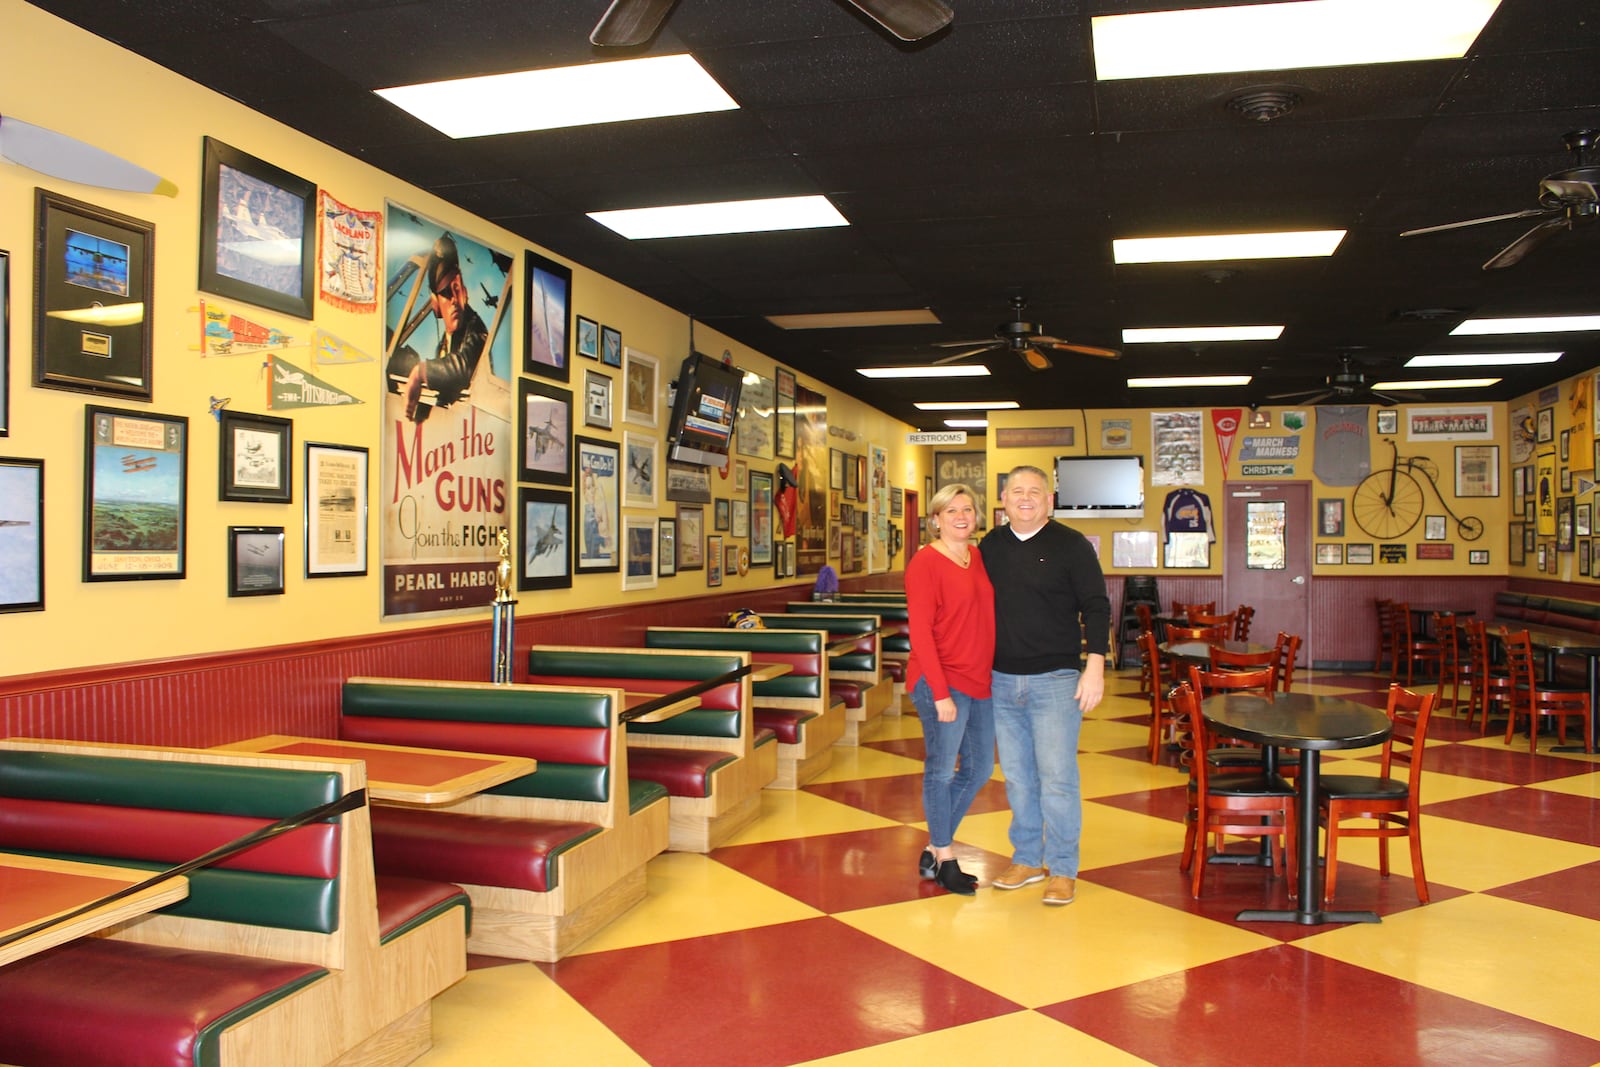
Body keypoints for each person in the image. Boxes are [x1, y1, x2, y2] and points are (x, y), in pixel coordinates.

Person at [981, 465, 1111, 906]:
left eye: (1034, 492)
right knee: (1017, 779)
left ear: (1049, 500)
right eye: (1016, 491)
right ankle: (1026, 858)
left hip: (1055, 681)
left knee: (1057, 779)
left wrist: (1095, 665)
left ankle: (1062, 868)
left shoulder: (1071, 546)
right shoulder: (990, 546)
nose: (1025, 498)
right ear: (1003, 499)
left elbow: (1097, 606)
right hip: (1000, 679)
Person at [904, 483, 996, 895]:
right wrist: (939, 693)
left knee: (978, 770)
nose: (962, 516)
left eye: (968, 509)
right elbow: (920, 633)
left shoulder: (976, 556)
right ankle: (944, 856)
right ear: (935, 520)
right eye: (951, 510)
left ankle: (932, 845)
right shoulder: (924, 564)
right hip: (940, 682)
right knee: (941, 771)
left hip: (979, 680)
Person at [386, 234, 488, 421]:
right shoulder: (445, 343)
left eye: (457, 289)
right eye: (446, 293)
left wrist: (420, 372)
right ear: (435, 303)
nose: (454, 300)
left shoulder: (476, 330)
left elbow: (463, 367)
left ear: (464, 292)